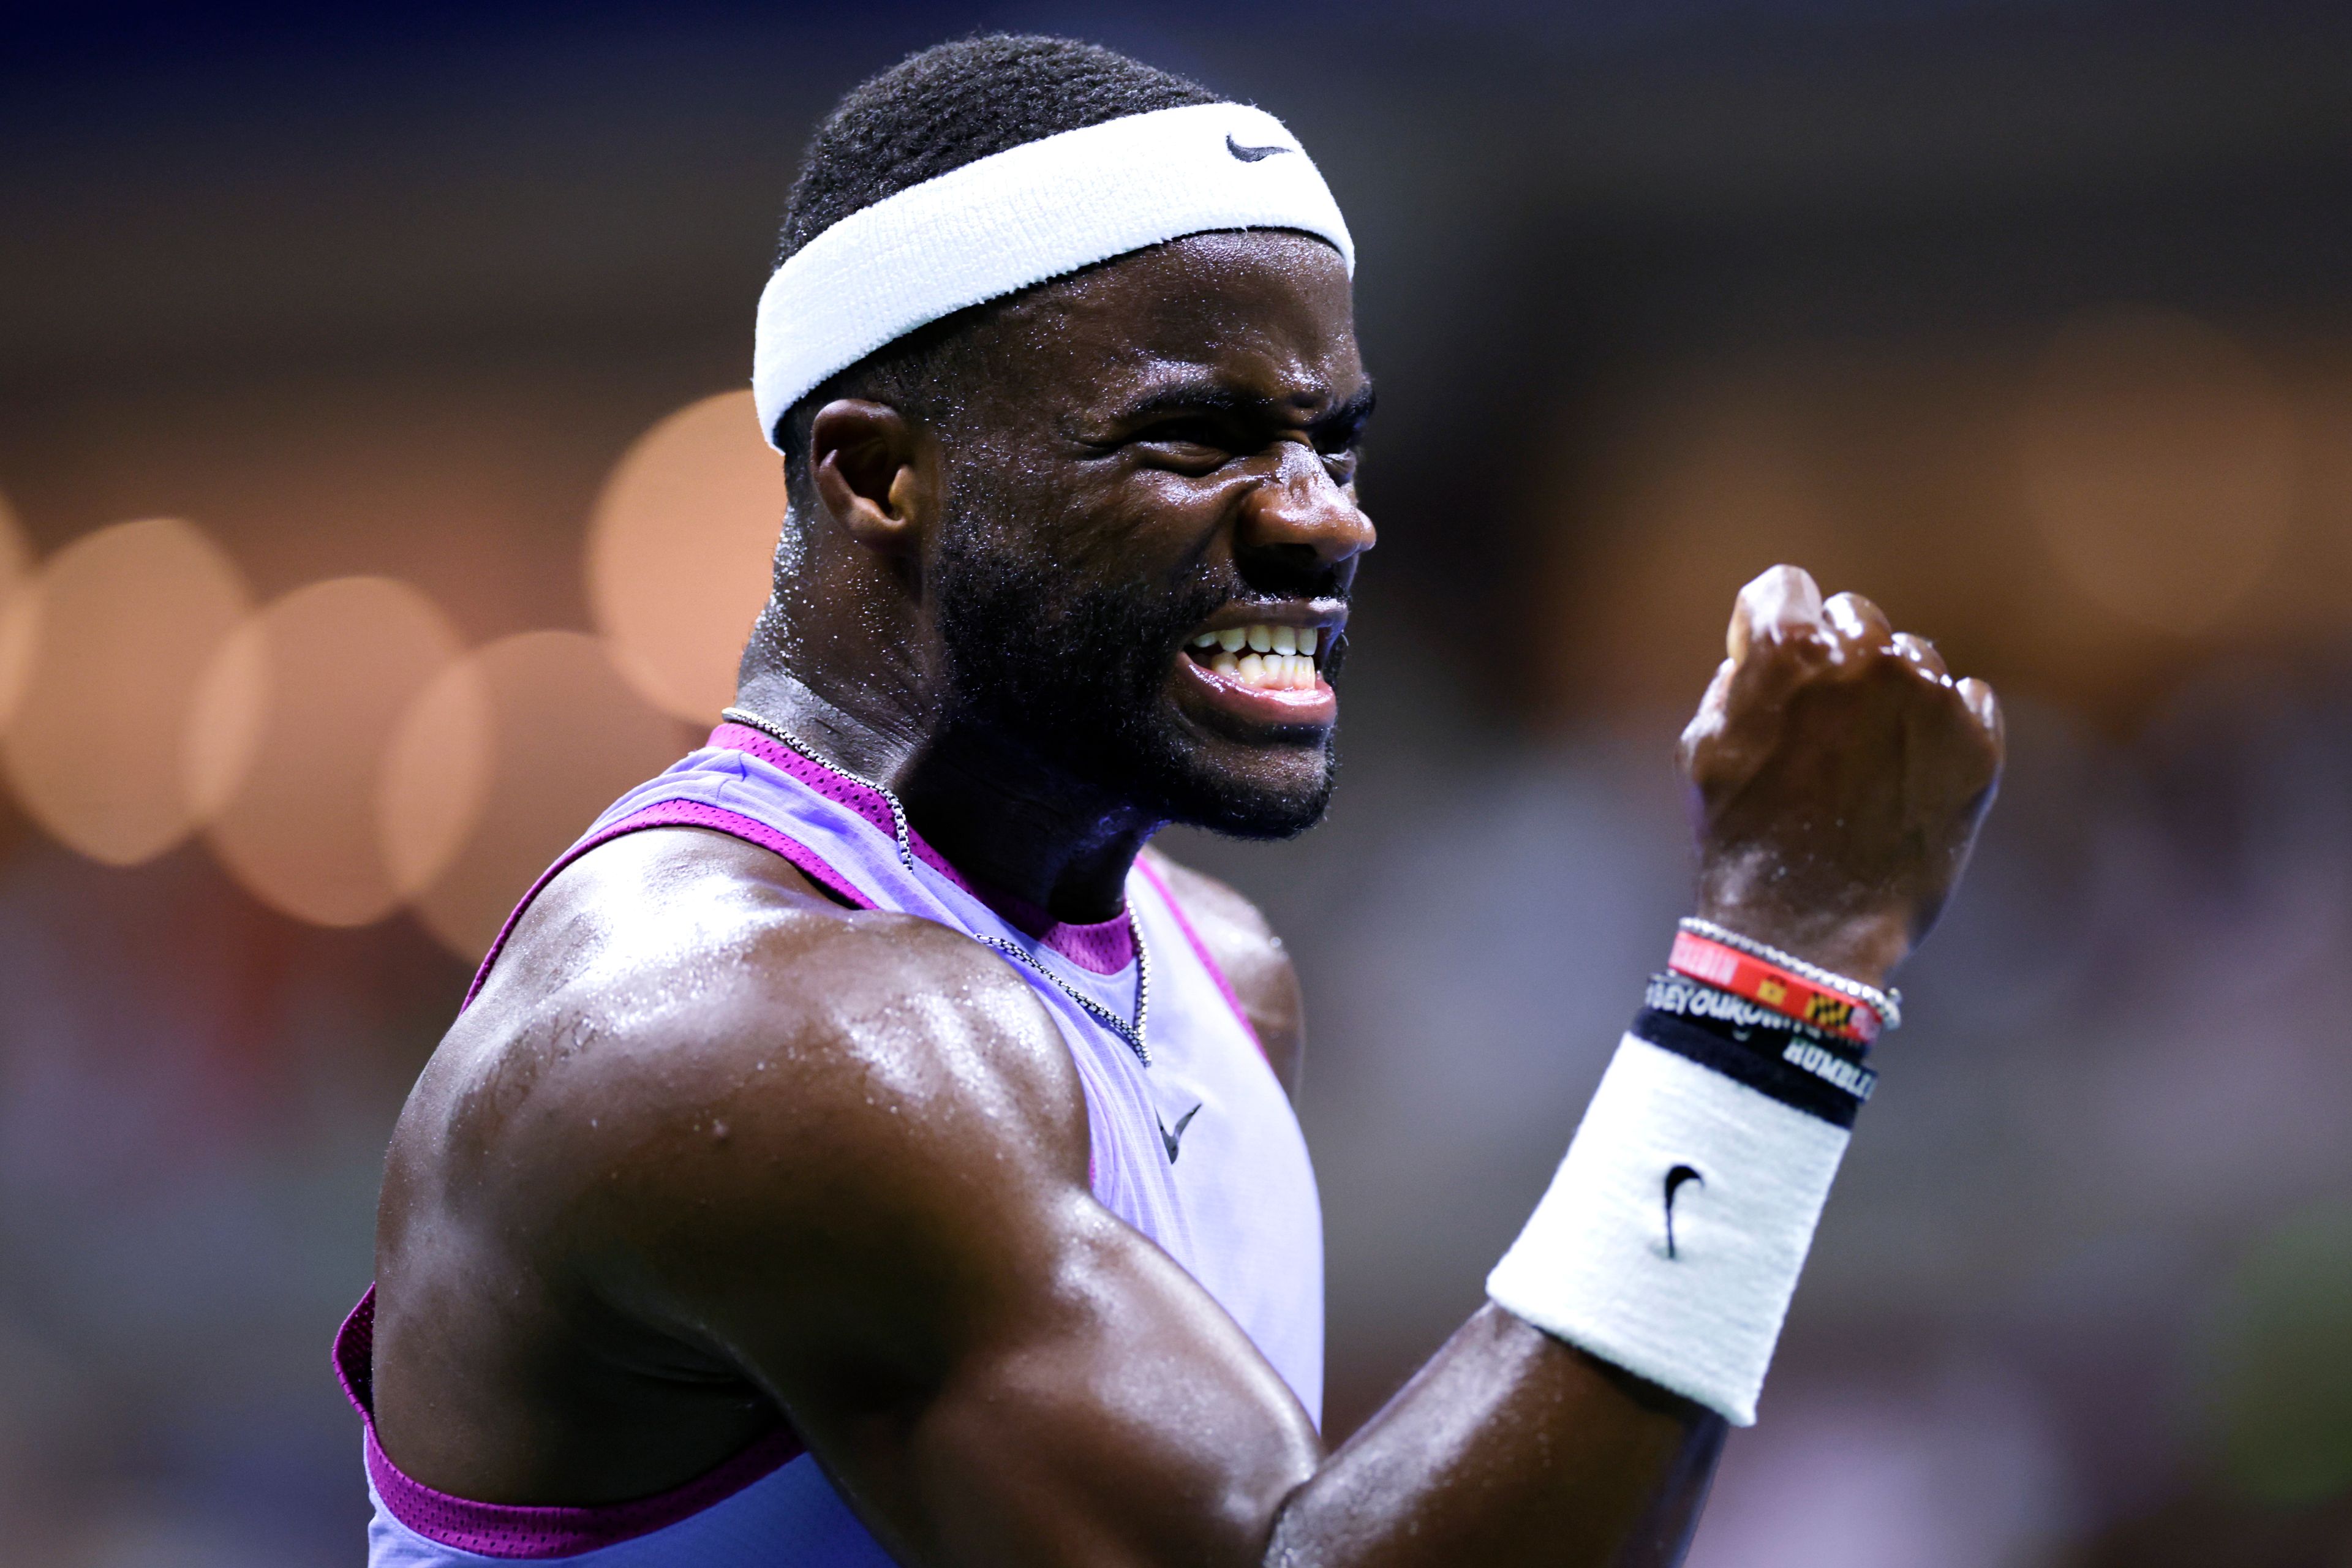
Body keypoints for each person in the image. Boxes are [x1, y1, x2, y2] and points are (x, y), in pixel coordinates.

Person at [336, 34, 2003, 1568]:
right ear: (876, 475)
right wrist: (1784, 956)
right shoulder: (755, 1035)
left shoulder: (1209, 970)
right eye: (1197, 440)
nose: (1325, 522)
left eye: (1332, 445)